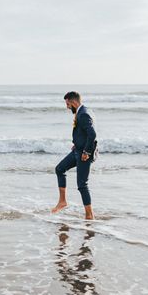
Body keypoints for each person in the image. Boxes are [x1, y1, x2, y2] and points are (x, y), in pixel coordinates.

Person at [52, 91, 97, 219]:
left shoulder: (83, 114)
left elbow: (92, 134)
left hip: (84, 154)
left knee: (82, 185)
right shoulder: (83, 111)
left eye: (67, 104)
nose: (67, 107)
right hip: (77, 150)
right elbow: (84, 133)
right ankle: (62, 201)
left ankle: (89, 215)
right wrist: (77, 143)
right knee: (60, 169)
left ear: (73, 102)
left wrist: (86, 152)